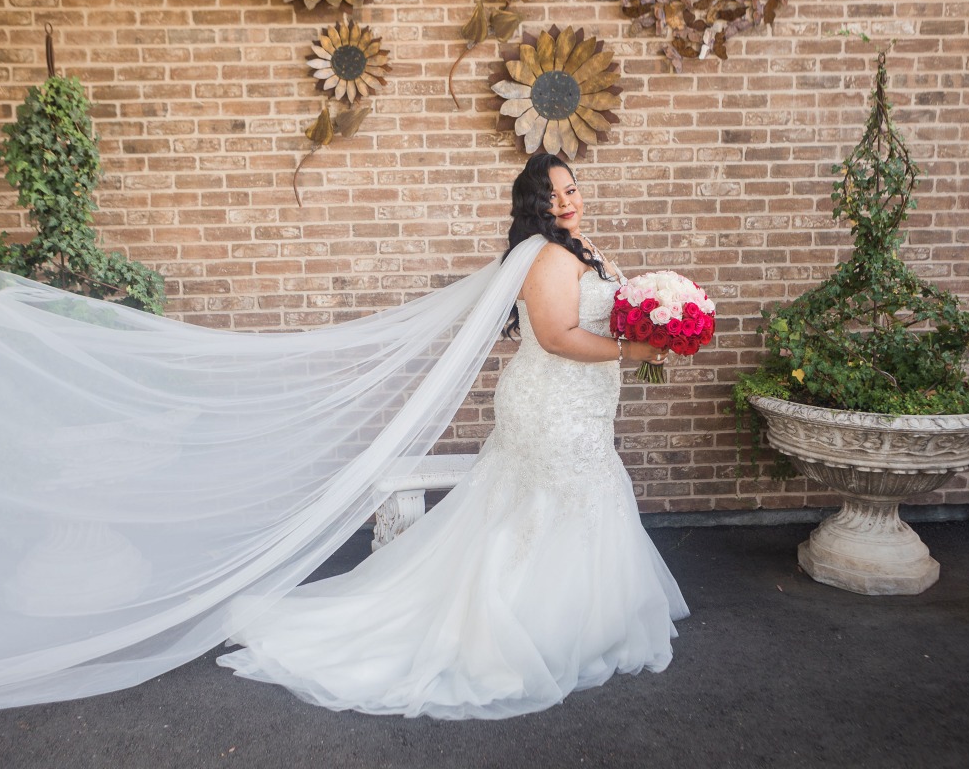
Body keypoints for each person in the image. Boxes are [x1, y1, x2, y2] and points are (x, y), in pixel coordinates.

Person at [215, 154, 689, 719]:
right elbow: (558, 337)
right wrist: (632, 351)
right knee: (548, 505)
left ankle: (584, 619)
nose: (567, 201)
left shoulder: (588, 252)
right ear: (533, 207)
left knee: (576, 500)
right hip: (549, 406)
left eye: (572, 189)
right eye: (552, 195)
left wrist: (652, 328)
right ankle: (518, 629)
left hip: (585, 405)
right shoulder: (545, 257)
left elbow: (603, 321)